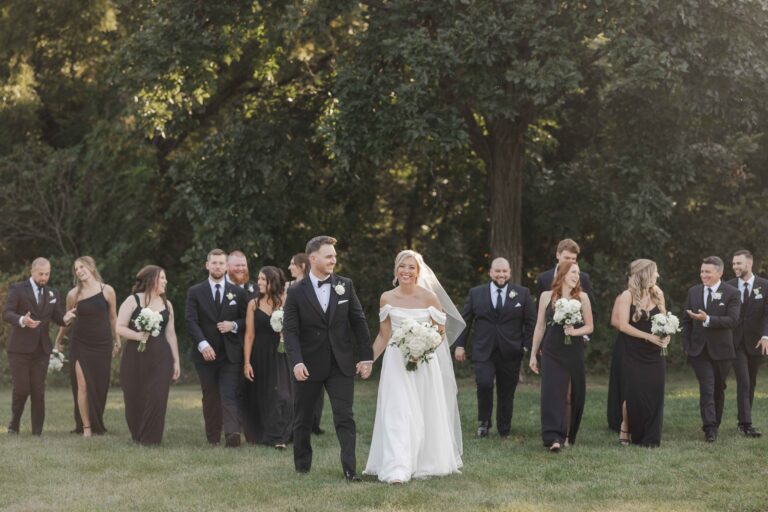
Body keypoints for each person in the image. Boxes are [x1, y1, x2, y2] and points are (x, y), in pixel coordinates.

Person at [364, 250, 463, 483]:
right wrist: (368, 360)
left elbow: (440, 334)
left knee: (423, 412)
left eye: (411, 267)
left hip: (424, 363)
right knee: (396, 412)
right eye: (402, 266)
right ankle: (397, 467)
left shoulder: (429, 298)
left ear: (418, 272)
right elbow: (384, 335)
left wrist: (423, 349)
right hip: (395, 364)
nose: (406, 271)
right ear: (396, 269)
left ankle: (423, 461)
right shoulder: (386, 297)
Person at [283, 236, 372, 481]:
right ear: (313, 258)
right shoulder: (296, 291)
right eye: (329, 256)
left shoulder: (345, 285)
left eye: (334, 255)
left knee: (345, 417)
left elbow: (359, 321)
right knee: (302, 418)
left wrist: (367, 357)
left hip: (340, 364)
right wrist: (297, 361)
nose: (334, 259)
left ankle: (349, 470)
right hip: (308, 365)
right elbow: (290, 330)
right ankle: (302, 466)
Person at [454, 257, 535, 438]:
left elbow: (531, 322)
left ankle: (504, 427)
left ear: (509, 272)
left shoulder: (522, 293)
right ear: (490, 272)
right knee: (483, 384)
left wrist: (525, 347)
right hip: (484, 350)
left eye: (504, 271)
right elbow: (464, 320)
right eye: (497, 271)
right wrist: (460, 345)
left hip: (511, 351)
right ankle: (484, 422)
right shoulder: (476, 293)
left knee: (507, 390)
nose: (501, 274)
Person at [3, 257, 76, 435]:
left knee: (38, 392)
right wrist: (22, 320)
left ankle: (37, 432)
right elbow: (7, 313)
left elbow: (58, 318)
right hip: (19, 350)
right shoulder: (18, 289)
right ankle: (14, 424)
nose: (44, 278)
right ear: (32, 272)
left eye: (47, 274)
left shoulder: (52, 293)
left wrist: (66, 318)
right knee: (22, 390)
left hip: (41, 350)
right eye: (41, 274)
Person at [186, 248, 248, 447]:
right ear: (207, 265)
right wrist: (203, 344)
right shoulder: (195, 291)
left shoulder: (238, 292)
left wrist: (234, 325)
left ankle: (232, 433)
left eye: (221, 263)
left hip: (230, 353)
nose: (218, 266)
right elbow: (191, 321)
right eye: (214, 263)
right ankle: (213, 436)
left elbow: (247, 319)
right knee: (210, 395)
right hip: (205, 354)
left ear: (227, 267)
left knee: (229, 392)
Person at [529, 261, 594, 451]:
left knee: (571, 393)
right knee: (551, 392)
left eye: (578, 273)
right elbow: (540, 326)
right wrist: (533, 354)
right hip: (551, 349)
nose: (577, 276)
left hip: (573, 349)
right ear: (563, 274)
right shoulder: (546, 296)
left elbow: (590, 326)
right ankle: (553, 437)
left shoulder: (583, 297)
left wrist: (574, 332)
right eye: (574, 272)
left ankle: (568, 434)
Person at [54, 256, 120, 437]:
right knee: (82, 386)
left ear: (91, 267)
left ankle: (97, 423)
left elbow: (113, 318)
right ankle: (86, 428)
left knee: (99, 387)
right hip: (80, 344)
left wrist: (117, 340)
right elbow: (67, 321)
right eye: (76, 269)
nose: (79, 271)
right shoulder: (73, 294)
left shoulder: (107, 291)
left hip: (103, 344)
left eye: (82, 267)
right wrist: (58, 340)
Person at [116, 265, 181, 444]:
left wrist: (176, 361)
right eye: (162, 278)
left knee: (158, 397)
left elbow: (170, 333)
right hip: (135, 357)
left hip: (161, 356)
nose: (165, 281)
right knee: (134, 396)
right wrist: (137, 335)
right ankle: (138, 435)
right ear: (151, 280)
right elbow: (119, 327)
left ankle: (151, 439)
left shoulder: (167, 304)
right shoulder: (133, 301)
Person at [681, 256, 739, 442]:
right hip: (699, 351)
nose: (703, 275)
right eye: (702, 271)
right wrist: (686, 345)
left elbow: (733, 320)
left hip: (722, 351)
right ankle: (709, 428)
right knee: (706, 387)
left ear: (720, 273)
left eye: (707, 272)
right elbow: (686, 321)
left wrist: (707, 319)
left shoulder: (732, 292)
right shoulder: (694, 292)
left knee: (718, 388)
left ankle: (716, 422)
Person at [613, 259, 669, 446]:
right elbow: (622, 325)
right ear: (644, 274)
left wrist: (666, 336)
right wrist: (647, 336)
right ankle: (629, 428)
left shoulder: (658, 294)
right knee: (635, 393)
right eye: (655, 272)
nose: (658, 276)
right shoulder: (627, 295)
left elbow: (665, 321)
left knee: (654, 393)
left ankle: (651, 437)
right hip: (634, 352)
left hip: (655, 354)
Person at [243, 266, 293, 448]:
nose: (259, 283)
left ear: (273, 281)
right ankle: (269, 434)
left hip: (281, 353)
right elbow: (249, 335)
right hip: (260, 354)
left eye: (264, 279)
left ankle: (280, 436)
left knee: (283, 395)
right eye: (259, 279)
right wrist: (247, 362)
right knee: (265, 394)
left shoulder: (286, 301)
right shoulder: (253, 304)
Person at [727, 250, 768, 437]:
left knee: (751, 383)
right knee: (743, 381)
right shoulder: (728, 286)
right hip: (735, 342)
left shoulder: (764, 286)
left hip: (757, 342)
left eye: (738, 263)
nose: (735, 267)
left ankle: (743, 420)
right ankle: (746, 424)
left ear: (749, 264)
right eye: (734, 263)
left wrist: (766, 336)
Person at [288, 252, 325, 435]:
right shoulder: (289, 287)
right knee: (301, 385)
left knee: (317, 385)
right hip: (296, 342)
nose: (289, 268)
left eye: (292, 264)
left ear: (302, 266)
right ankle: (299, 421)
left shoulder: (316, 285)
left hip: (314, 342)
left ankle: (314, 423)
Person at [535, 238, 598, 320]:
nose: (570, 262)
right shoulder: (543, 279)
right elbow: (538, 313)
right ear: (558, 255)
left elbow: (593, 313)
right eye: (567, 258)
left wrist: (575, 325)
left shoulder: (583, 278)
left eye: (573, 259)